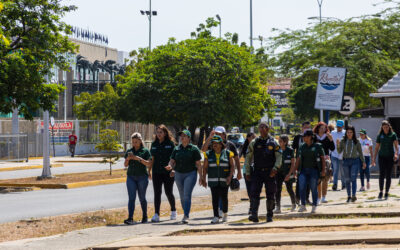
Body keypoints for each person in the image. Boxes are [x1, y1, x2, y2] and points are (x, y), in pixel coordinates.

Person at [244, 122, 282, 223]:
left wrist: (275, 168)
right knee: (254, 192)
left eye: (263, 127)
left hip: (270, 172)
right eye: (260, 127)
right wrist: (247, 171)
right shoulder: (254, 142)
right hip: (257, 171)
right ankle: (254, 214)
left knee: (270, 193)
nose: (261, 129)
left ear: (268, 129)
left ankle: (269, 215)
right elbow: (248, 157)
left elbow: (279, 156)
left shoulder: (274, 142)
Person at [202, 126, 242, 217]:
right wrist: (209, 137)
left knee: (223, 194)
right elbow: (203, 150)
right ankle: (218, 212)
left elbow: (236, 159)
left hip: (226, 174)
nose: (217, 135)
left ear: (224, 135)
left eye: (219, 134)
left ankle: (222, 210)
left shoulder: (230, 145)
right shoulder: (212, 144)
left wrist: (239, 172)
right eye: (216, 133)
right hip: (214, 175)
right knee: (216, 195)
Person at [165, 130, 202, 224]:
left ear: (189, 138)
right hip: (178, 174)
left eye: (184, 136)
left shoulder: (194, 149)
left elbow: (198, 164)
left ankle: (186, 215)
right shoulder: (177, 149)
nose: (182, 137)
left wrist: (201, 177)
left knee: (186, 195)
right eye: (181, 136)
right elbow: (172, 161)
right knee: (182, 196)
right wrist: (170, 166)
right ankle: (185, 213)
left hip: (191, 173)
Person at [286, 130, 326, 213]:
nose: (304, 138)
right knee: (302, 186)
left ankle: (314, 205)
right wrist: (294, 170)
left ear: (310, 137)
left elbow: (322, 159)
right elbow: (298, 159)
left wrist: (323, 170)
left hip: (314, 170)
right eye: (303, 136)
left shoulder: (318, 146)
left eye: (305, 136)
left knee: (313, 188)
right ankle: (303, 205)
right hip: (303, 170)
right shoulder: (302, 146)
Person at [201, 135, 234, 224]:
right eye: (213, 143)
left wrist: (230, 177)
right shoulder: (208, 154)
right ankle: (215, 216)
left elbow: (232, 166)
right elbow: (204, 168)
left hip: (224, 180)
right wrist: (203, 179)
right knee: (214, 198)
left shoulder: (228, 153)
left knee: (224, 198)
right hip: (213, 180)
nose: (215, 145)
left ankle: (225, 213)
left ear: (221, 144)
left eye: (217, 143)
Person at [150, 125, 177, 223]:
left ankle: (173, 210)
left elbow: (175, 158)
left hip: (167, 172)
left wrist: (173, 169)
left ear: (165, 133)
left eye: (161, 132)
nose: (159, 134)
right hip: (156, 172)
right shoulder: (154, 144)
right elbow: (152, 159)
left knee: (168, 192)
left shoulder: (170, 144)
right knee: (157, 193)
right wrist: (149, 171)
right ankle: (156, 214)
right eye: (157, 132)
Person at [123, 133, 152, 225]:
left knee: (142, 197)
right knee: (131, 198)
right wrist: (128, 159)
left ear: (140, 141)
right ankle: (130, 217)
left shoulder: (145, 151)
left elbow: (149, 163)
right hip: (131, 176)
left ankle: (145, 216)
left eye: (136, 142)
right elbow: (125, 165)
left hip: (142, 177)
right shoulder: (129, 151)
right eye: (133, 142)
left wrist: (138, 158)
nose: (134, 144)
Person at [337, 125, 365, 203]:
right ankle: (349, 196)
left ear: (353, 133)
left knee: (353, 178)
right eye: (348, 132)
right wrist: (337, 144)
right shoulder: (343, 141)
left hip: (355, 161)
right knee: (347, 180)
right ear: (346, 133)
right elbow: (339, 151)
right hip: (345, 161)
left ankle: (354, 195)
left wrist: (363, 162)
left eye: (351, 132)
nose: (349, 134)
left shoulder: (357, 141)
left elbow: (360, 152)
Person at [372, 120, 399, 199]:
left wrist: (396, 154)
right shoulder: (380, 135)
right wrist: (373, 158)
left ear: (389, 127)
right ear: (382, 128)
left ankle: (386, 192)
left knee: (388, 175)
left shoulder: (393, 135)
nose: (386, 129)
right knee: (382, 175)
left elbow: (396, 146)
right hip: (382, 157)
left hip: (390, 157)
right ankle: (381, 191)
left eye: (387, 127)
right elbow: (377, 148)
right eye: (384, 127)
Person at [313, 122, 335, 204]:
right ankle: (318, 197)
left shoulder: (327, 137)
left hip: (326, 159)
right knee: (318, 179)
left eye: (324, 128)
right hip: (316, 159)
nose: (322, 130)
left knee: (325, 179)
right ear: (317, 128)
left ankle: (324, 197)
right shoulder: (314, 137)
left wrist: (331, 140)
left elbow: (332, 148)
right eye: (321, 128)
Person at [274, 135, 296, 213]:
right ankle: (278, 207)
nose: (279, 143)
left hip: (287, 173)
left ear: (285, 142)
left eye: (280, 141)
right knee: (277, 190)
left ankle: (293, 204)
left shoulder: (290, 150)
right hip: (279, 173)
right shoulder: (277, 150)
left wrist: (289, 174)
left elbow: (293, 163)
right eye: (278, 141)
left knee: (289, 189)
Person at [292, 121, 311, 205]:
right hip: (299, 162)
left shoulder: (312, 136)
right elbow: (293, 149)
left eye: (308, 127)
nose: (307, 129)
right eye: (305, 127)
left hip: (309, 162)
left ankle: (306, 198)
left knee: (309, 181)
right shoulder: (297, 137)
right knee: (299, 181)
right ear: (302, 128)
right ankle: (297, 198)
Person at [241, 132, 256, 214]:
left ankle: (253, 206)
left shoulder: (257, 146)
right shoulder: (245, 147)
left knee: (255, 189)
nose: (254, 138)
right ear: (248, 138)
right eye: (253, 137)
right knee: (249, 189)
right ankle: (251, 205)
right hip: (247, 170)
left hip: (256, 170)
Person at [331, 120, 346, 191]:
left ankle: (344, 185)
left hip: (342, 155)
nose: (338, 128)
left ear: (342, 126)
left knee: (343, 171)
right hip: (334, 154)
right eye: (338, 126)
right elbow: (330, 142)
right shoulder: (333, 132)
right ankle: (335, 184)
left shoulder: (345, 133)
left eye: (340, 127)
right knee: (335, 170)